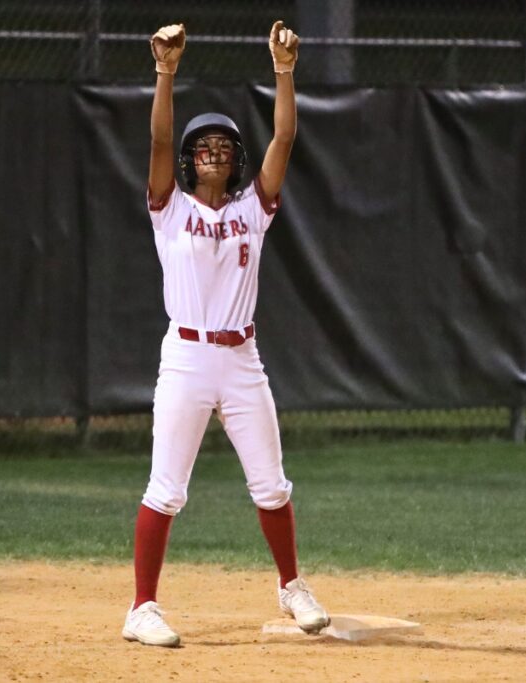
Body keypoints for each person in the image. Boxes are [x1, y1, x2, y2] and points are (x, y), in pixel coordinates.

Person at [121, 21, 329, 648]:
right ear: (189, 160)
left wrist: (284, 70)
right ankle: (142, 608)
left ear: (236, 159)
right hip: (185, 356)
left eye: (223, 144)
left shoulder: (250, 211)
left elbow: (286, 138)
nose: (213, 151)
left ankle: (292, 586)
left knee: (271, 483)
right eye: (203, 144)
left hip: (242, 357)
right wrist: (165, 72)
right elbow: (159, 137)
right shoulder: (170, 208)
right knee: (166, 488)